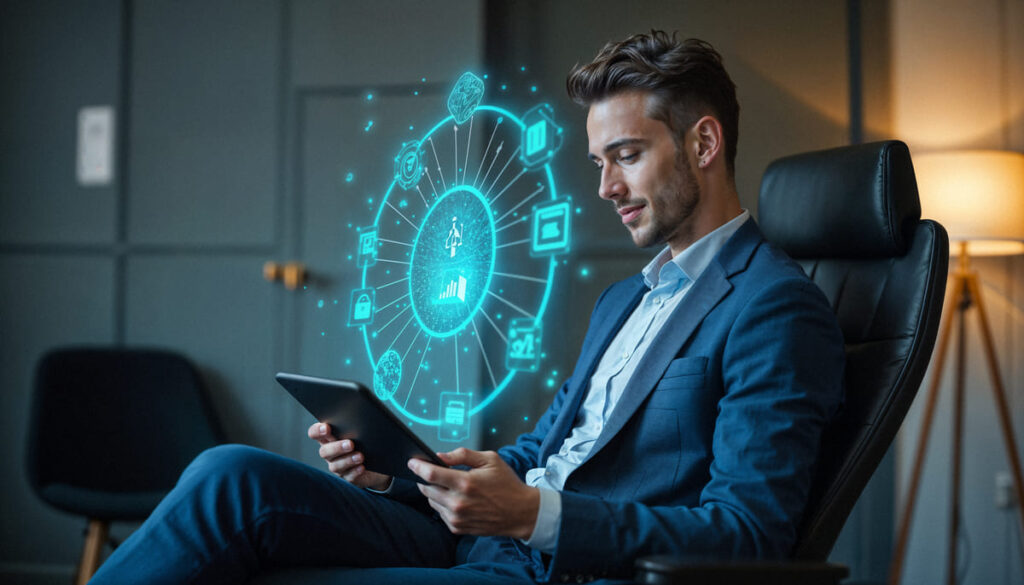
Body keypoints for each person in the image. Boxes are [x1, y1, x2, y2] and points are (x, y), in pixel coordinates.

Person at [89, 31, 844, 585]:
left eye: (626, 155)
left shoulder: (774, 307)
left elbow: (749, 535)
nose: (606, 188)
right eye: (598, 163)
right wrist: (404, 470)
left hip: (555, 569)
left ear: (703, 143)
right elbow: (545, 449)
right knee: (230, 474)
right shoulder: (626, 299)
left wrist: (533, 517)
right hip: (483, 539)